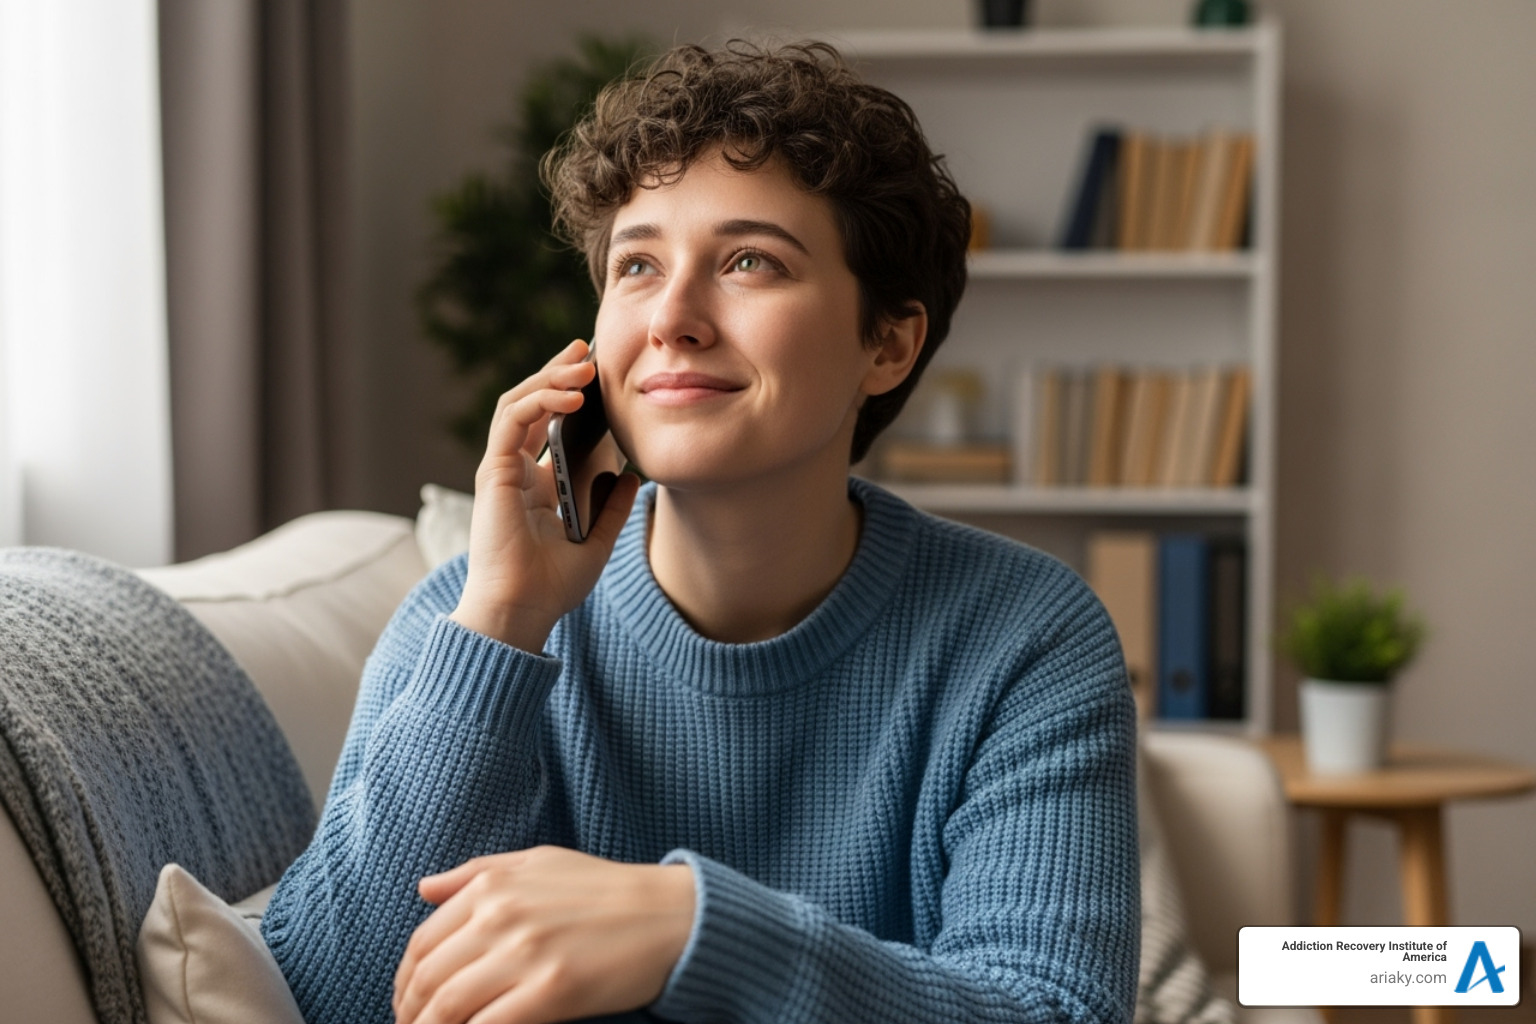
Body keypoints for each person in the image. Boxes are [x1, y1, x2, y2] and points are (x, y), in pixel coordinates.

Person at [262, 39, 1139, 1024]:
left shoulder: (1025, 635)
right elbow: (330, 1002)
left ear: (888, 344)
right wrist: (502, 624)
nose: (672, 316)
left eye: (749, 260)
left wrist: (692, 930)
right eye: (638, 264)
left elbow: (1054, 1011)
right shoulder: (467, 623)